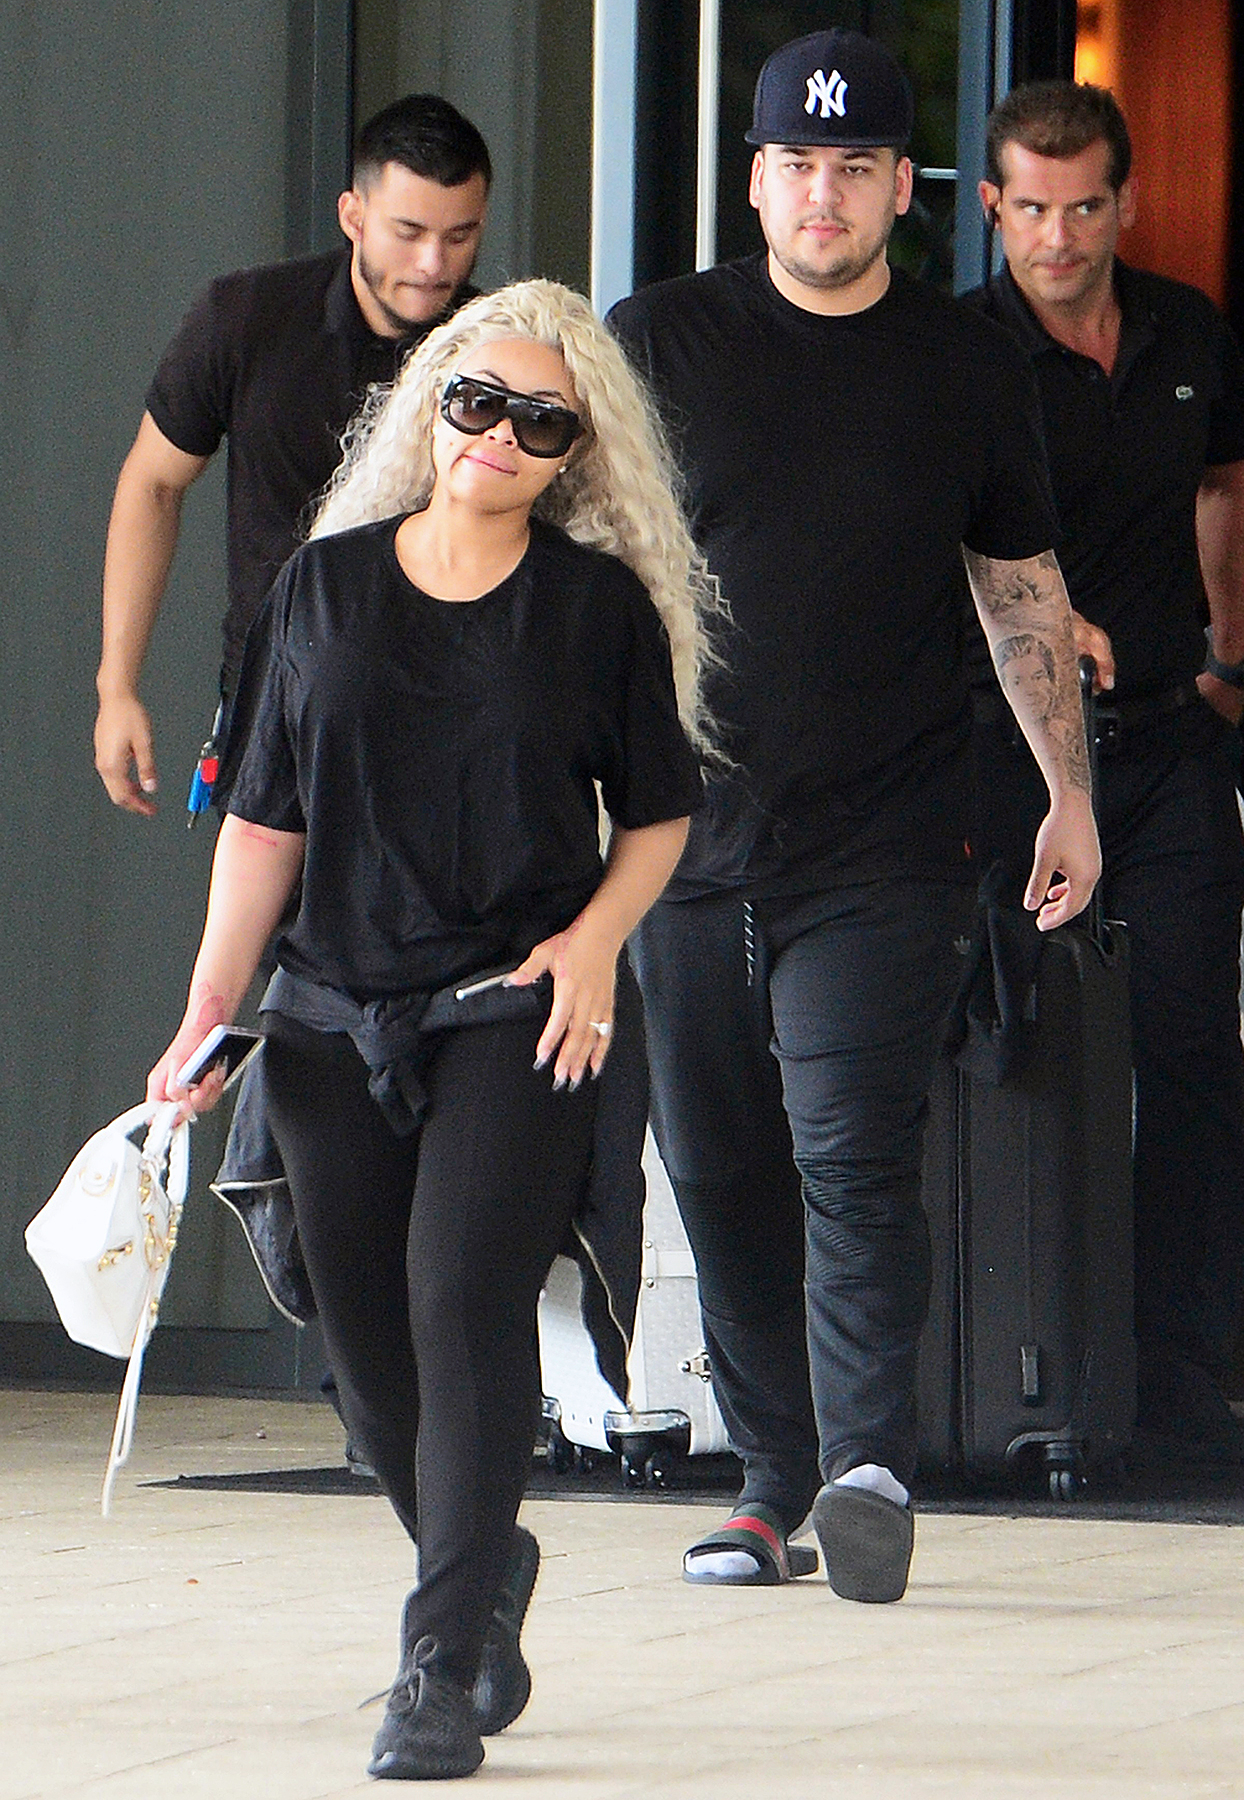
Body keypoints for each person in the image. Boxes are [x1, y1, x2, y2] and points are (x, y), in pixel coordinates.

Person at [146, 279, 713, 1781]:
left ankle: (439, 1660)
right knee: (368, 1348)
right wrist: (208, 1009)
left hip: (509, 1013)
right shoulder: (320, 589)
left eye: (541, 421)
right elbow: (262, 822)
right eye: (477, 401)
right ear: (432, 402)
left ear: (575, 451)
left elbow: (660, 814)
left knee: (462, 1302)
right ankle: (480, 1567)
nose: (499, 435)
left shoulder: (592, 610)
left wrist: (593, 941)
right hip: (327, 1012)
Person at [607, 28, 1100, 1604]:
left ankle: (865, 1467)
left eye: (856, 166)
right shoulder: (657, 342)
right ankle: (768, 1488)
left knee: (854, 1158)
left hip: (887, 843)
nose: (823, 193)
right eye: (797, 164)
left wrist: (1070, 794)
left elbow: (1019, 589)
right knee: (719, 1170)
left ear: (903, 189)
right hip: (685, 842)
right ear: (756, 181)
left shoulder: (966, 364)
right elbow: (587, 576)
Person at [966, 79, 1244, 1461]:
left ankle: (1179, 1375)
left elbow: (1220, 486)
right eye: (1032, 208)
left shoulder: (1188, 329)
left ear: (1123, 202)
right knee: (1025, 1053)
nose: (1059, 237)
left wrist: (1227, 652)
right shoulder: (959, 353)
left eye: (1083, 207)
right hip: (1019, 762)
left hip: (1172, 743)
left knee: (1190, 1050)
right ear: (990, 206)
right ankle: (1030, 1369)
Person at [94, 93, 491, 816]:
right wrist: (117, 686)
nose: (434, 264)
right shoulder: (246, 317)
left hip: (446, 725)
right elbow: (153, 484)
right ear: (353, 216)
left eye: (459, 236)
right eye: (408, 232)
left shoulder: (498, 353)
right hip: (273, 716)